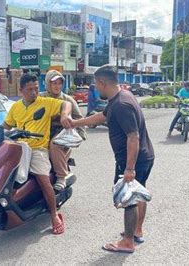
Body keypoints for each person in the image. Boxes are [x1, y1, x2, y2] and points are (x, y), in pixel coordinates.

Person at [67, 65, 155, 253]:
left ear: (102, 82)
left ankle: (128, 242)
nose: (96, 88)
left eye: (96, 85)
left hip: (133, 160)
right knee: (138, 193)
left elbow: (133, 137)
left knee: (128, 198)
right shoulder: (120, 97)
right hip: (144, 156)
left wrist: (129, 168)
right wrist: (76, 123)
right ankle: (137, 231)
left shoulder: (121, 104)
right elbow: (101, 117)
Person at [3, 73, 72, 235]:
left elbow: (66, 105)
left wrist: (63, 114)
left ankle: (54, 215)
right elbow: (5, 126)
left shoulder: (45, 103)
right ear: (21, 91)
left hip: (37, 149)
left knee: (43, 179)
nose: (34, 93)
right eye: (29, 90)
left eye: (36, 89)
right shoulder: (16, 107)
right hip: (19, 147)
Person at [40, 70, 87, 191]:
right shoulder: (40, 97)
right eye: (54, 83)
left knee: (55, 144)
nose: (57, 86)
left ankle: (61, 177)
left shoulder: (68, 100)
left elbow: (79, 118)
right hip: (42, 131)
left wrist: (80, 135)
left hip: (62, 133)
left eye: (59, 83)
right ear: (47, 84)